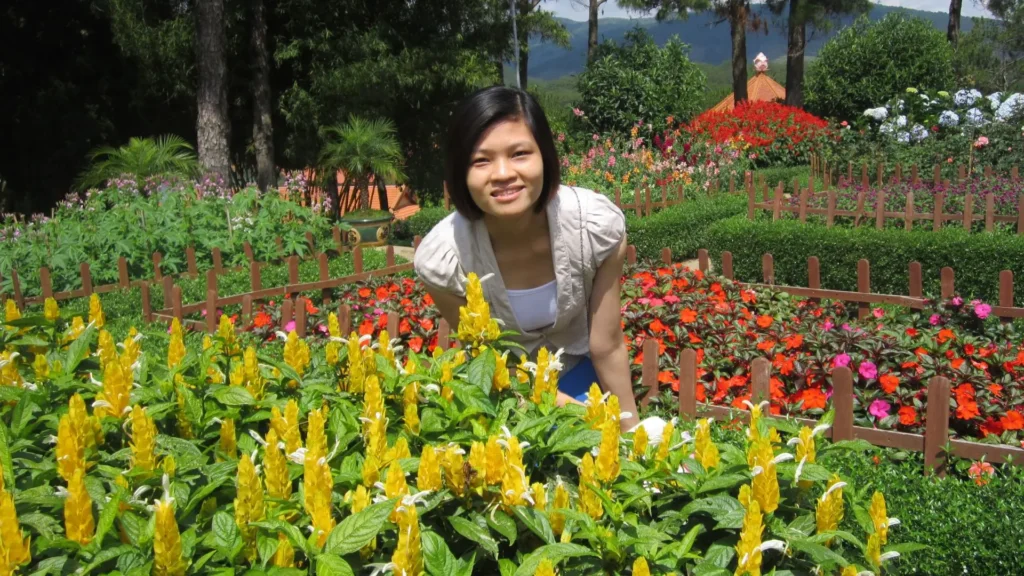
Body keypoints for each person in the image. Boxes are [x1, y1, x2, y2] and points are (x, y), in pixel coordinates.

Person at [414, 86, 641, 432]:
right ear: (460, 172)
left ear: (545, 157)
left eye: (519, 153)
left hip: (584, 379)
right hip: (509, 398)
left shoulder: (595, 229)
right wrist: (571, 414)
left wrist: (631, 435)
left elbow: (606, 345)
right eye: (481, 160)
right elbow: (486, 361)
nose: (503, 173)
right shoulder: (444, 259)